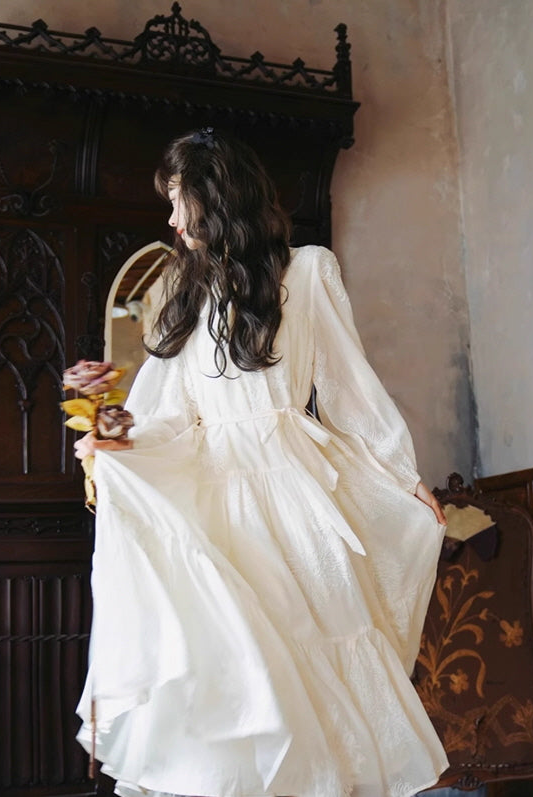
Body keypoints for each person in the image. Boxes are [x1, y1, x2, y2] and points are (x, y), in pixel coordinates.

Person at [74, 128, 449, 797]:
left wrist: (403, 476)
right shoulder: (182, 297)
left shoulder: (307, 273)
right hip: (218, 507)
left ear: (216, 200)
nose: (170, 219)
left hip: (295, 494)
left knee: (318, 676)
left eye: (179, 201)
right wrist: (114, 446)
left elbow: (349, 392)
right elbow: (164, 416)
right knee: (241, 677)